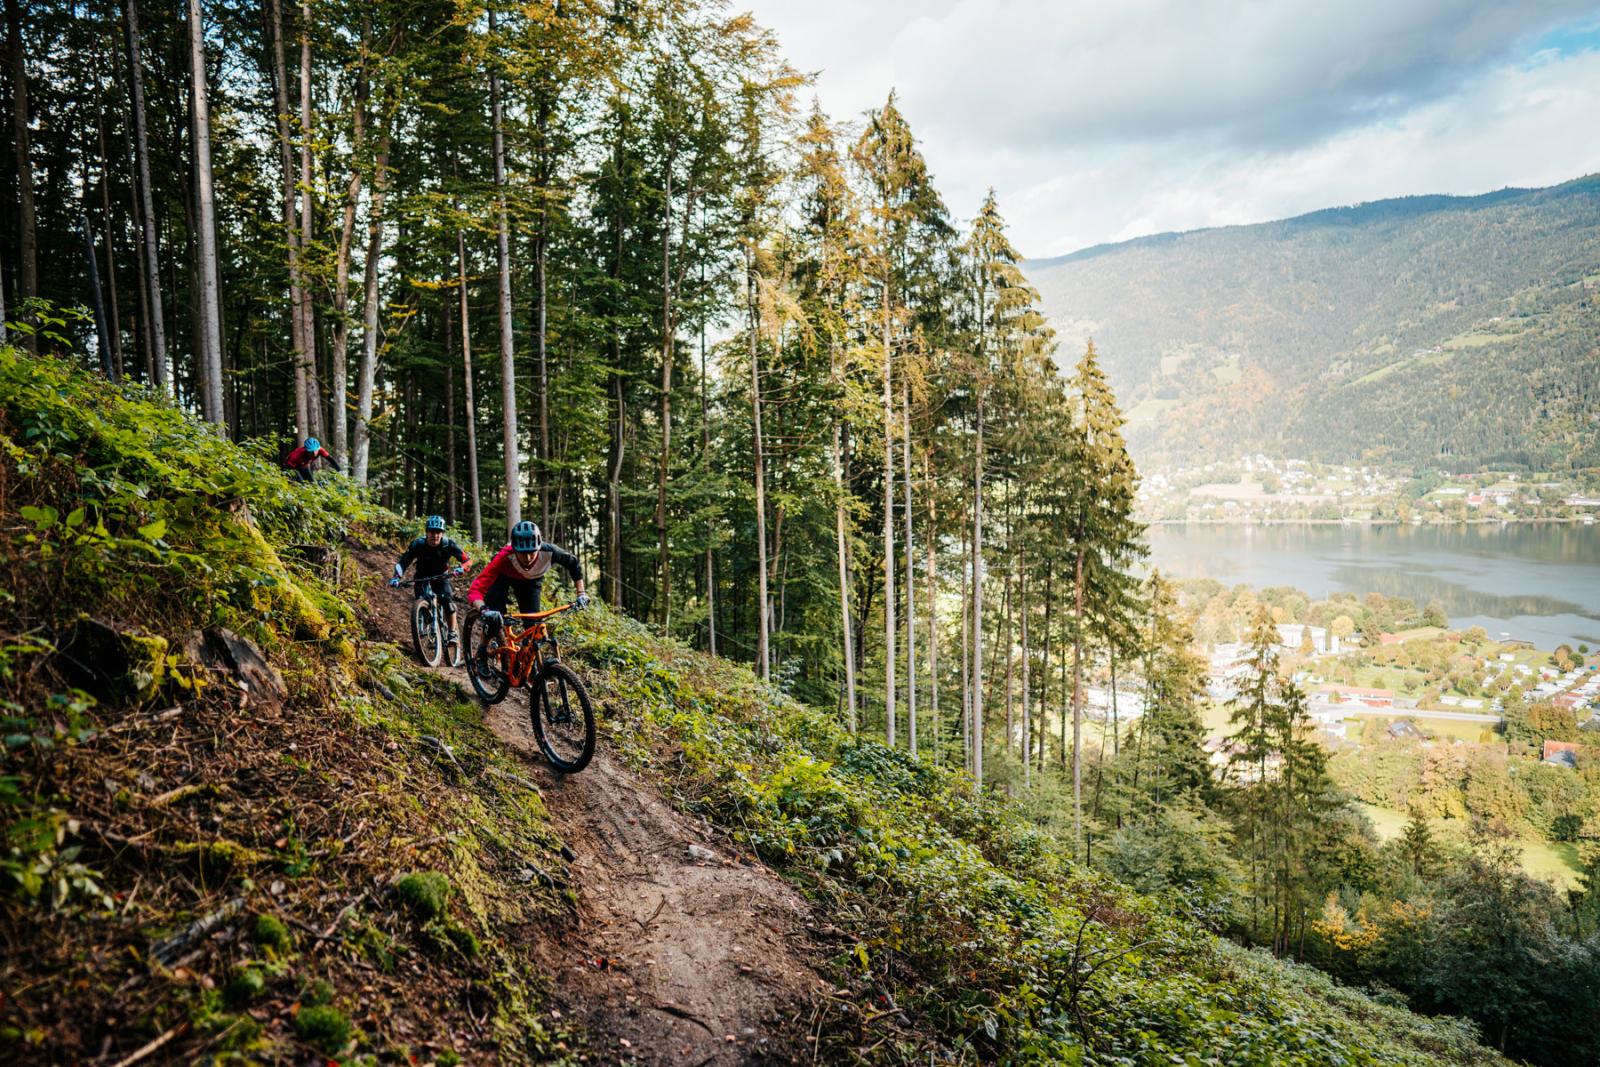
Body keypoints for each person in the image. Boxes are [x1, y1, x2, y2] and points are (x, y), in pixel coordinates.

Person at [468, 521, 588, 627]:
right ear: (514, 550)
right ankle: (483, 648)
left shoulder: (551, 552)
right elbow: (475, 590)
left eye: (532, 552)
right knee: (495, 620)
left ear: (539, 547)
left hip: (531, 582)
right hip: (503, 579)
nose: (528, 558)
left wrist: (581, 593)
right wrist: (484, 610)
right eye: (522, 553)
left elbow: (573, 564)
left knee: (533, 624)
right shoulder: (504, 557)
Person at [389, 515, 470, 650]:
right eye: (432, 532)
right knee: (421, 601)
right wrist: (396, 577)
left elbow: (467, 560)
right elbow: (404, 561)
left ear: (442, 533)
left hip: (441, 577)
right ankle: (427, 630)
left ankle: (452, 633)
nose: (435, 535)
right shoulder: (418, 545)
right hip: (422, 577)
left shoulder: (448, 544)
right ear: (427, 532)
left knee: (447, 601)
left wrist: (461, 569)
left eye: (438, 532)